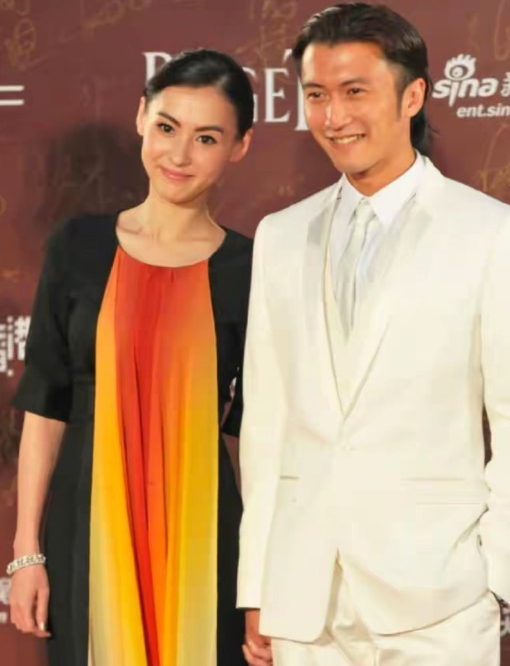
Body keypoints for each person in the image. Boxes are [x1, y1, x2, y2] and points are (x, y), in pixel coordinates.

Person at [238, 4, 510, 666]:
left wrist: (497, 579)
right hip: (305, 601)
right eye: (316, 95)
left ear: (412, 96)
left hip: (438, 601)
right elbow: (266, 426)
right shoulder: (281, 236)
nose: (334, 116)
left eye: (355, 91)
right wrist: (259, 585)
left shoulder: (488, 232)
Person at [8, 48, 254, 666]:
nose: (179, 154)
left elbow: (253, 432)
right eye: (167, 126)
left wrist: (260, 578)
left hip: (205, 534)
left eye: (206, 138)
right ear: (141, 116)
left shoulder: (252, 267)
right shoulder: (77, 247)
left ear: (240, 147)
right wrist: (26, 550)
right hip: (85, 526)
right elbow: (46, 401)